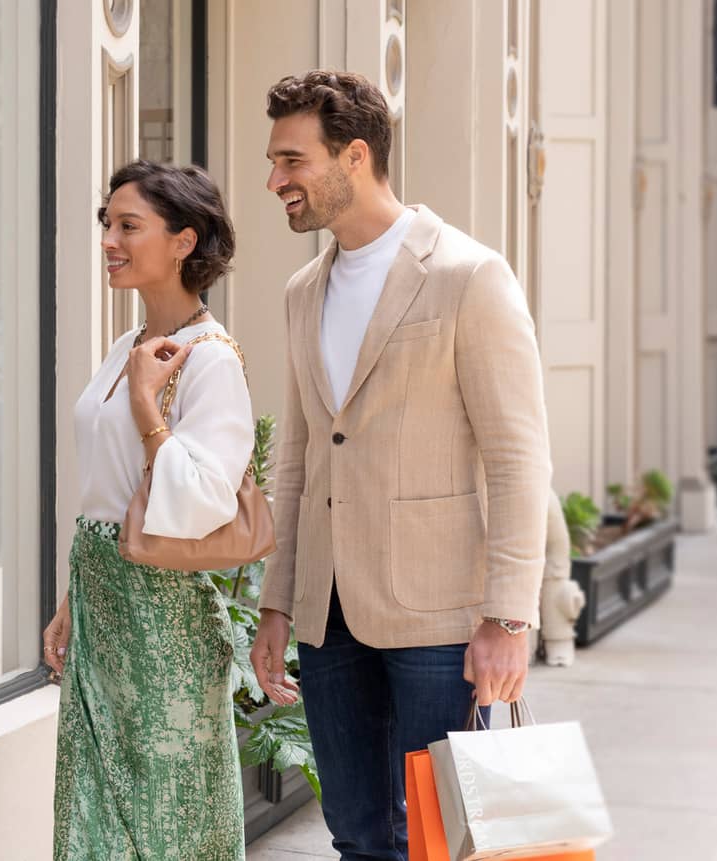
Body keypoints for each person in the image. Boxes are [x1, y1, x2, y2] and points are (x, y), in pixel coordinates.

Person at [247, 71, 552, 860]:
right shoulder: (300, 292)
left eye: (291, 160)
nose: (275, 180)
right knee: (357, 833)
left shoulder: (468, 275)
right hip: (329, 616)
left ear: (354, 156)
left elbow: (518, 457)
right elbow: (300, 460)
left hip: (441, 621)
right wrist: (278, 601)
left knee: (444, 836)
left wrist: (509, 618)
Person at [43, 160, 251, 860]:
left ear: (184, 241)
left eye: (129, 225)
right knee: (94, 810)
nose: (110, 238)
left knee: (168, 819)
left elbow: (203, 501)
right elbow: (104, 490)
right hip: (105, 602)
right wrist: (76, 593)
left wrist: (144, 405)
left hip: (164, 617)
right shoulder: (124, 348)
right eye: (108, 223)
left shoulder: (210, 358)